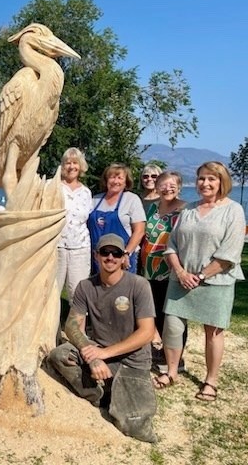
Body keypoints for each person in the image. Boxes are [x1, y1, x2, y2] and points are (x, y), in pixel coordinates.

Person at [47, 233, 157, 443]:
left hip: (131, 361)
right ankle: (97, 395)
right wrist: (93, 356)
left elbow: (147, 332)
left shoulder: (139, 285)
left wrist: (104, 353)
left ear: (124, 257)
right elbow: (71, 325)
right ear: (96, 255)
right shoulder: (85, 286)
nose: (110, 257)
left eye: (116, 253)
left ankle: (114, 392)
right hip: (98, 352)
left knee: (136, 428)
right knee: (59, 355)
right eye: (105, 252)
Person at [156, 162, 246, 402]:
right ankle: (172, 372)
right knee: (172, 327)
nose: (205, 183)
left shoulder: (233, 211)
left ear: (221, 182)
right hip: (181, 278)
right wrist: (181, 272)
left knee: (213, 332)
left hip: (216, 280)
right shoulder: (188, 210)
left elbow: (230, 252)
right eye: (201, 179)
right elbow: (172, 244)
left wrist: (202, 275)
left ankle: (211, 381)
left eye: (211, 179)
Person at [140, 172, 187, 372]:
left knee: (174, 315)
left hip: (173, 268)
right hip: (149, 268)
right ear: (157, 188)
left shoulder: (186, 210)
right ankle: (161, 352)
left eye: (172, 185)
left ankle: (178, 358)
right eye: (163, 185)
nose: (167, 188)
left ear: (179, 187)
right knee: (156, 310)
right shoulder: (152, 208)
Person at [88, 163, 146, 274]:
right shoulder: (95, 200)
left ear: (126, 182)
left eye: (120, 178)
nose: (116, 181)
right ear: (106, 180)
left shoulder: (132, 199)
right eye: (112, 177)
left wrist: (126, 253)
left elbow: (139, 231)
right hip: (97, 258)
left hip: (121, 257)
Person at [56, 148, 92, 308]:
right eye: (68, 163)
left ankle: (77, 330)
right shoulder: (53, 187)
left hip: (80, 249)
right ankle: (51, 331)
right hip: (55, 247)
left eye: (75, 163)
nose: (71, 166)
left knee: (78, 294)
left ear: (81, 166)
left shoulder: (86, 192)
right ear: (63, 166)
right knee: (51, 293)